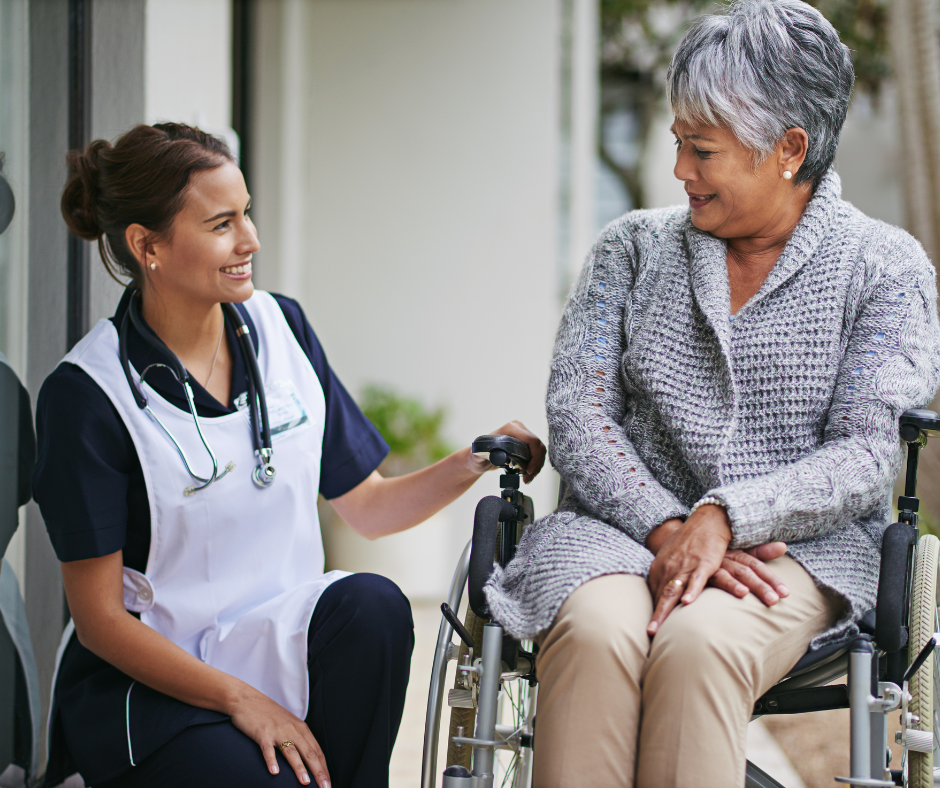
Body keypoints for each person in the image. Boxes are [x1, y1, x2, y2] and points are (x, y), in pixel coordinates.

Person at [484, 1, 940, 786]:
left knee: (700, 644)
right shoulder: (630, 251)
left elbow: (867, 453)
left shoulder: (884, 270)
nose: (679, 172)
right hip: (616, 533)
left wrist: (728, 516)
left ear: (789, 150)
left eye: (702, 150)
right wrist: (668, 526)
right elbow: (579, 413)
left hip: (796, 550)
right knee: (595, 634)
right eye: (677, 144)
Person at [33, 122, 546, 788]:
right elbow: (100, 622)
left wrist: (474, 459)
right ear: (147, 246)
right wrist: (241, 699)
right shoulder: (87, 394)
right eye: (222, 224)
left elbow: (367, 507)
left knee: (374, 607)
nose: (250, 240)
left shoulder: (282, 329)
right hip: (150, 689)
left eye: (246, 213)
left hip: (272, 645)